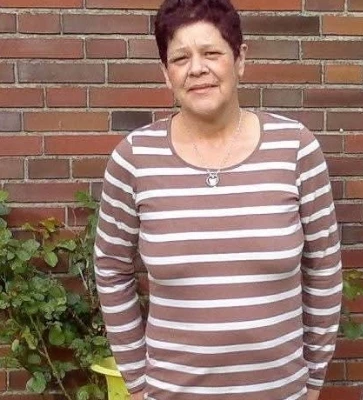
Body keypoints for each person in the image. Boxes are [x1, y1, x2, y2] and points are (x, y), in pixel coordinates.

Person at [94, 0, 342, 399]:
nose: (197, 69)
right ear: (166, 73)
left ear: (240, 59)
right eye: (180, 58)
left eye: (211, 53)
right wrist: (138, 383)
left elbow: (324, 267)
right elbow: (111, 269)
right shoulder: (134, 159)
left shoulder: (295, 148)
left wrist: (313, 379)